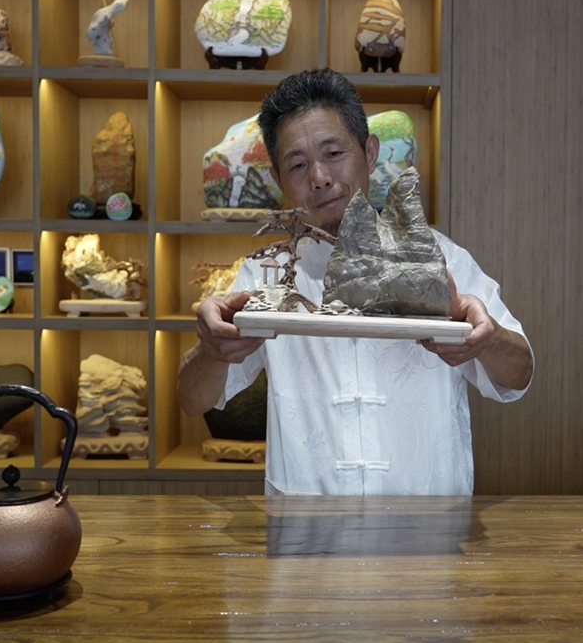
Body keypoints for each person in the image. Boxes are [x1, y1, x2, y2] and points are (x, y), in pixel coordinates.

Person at [178, 68, 533, 496]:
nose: (320, 177)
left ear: (369, 152)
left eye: (334, 153)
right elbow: (192, 400)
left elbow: (519, 374)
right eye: (297, 164)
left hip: (429, 537)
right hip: (304, 540)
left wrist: (486, 339)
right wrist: (210, 348)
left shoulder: (443, 260)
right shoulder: (266, 275)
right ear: (277, 180)